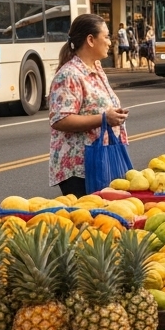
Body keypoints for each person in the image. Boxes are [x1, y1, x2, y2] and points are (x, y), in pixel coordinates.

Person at [49, 14, 130, 197]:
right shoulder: (69, 74)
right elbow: (60, 119)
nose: (110, 42)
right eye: (107, 36)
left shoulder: (97, 68)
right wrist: (104, 119)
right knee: (89, 221)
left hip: (102, 160)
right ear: (91, 40)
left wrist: (113, 115)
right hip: (80, 168)